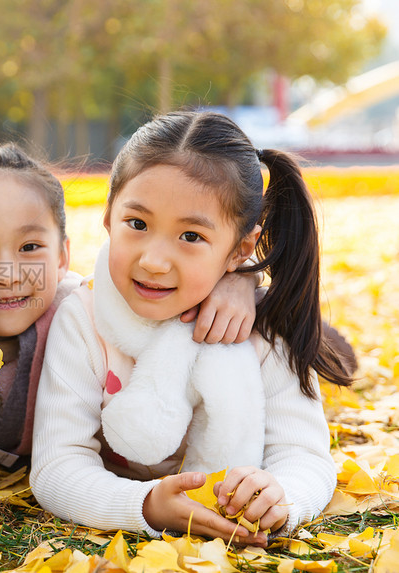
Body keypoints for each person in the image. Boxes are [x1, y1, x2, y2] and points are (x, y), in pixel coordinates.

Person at [30, 111, 353, 546]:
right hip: (140, 499)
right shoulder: (83, 319)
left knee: (332, 356)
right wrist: (144, 505)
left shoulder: (265, 328)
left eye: (191, 237)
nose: (154, 261)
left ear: (241, 249)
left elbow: (304, 456)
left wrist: (283, 496)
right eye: (137, 224)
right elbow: (57, 466)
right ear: (108, 218)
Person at [0, 144, 260, 467]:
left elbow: (172, 284)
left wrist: (239, 280)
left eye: (30, 246)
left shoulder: (82, 312)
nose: (6, 276)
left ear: (63, 255)